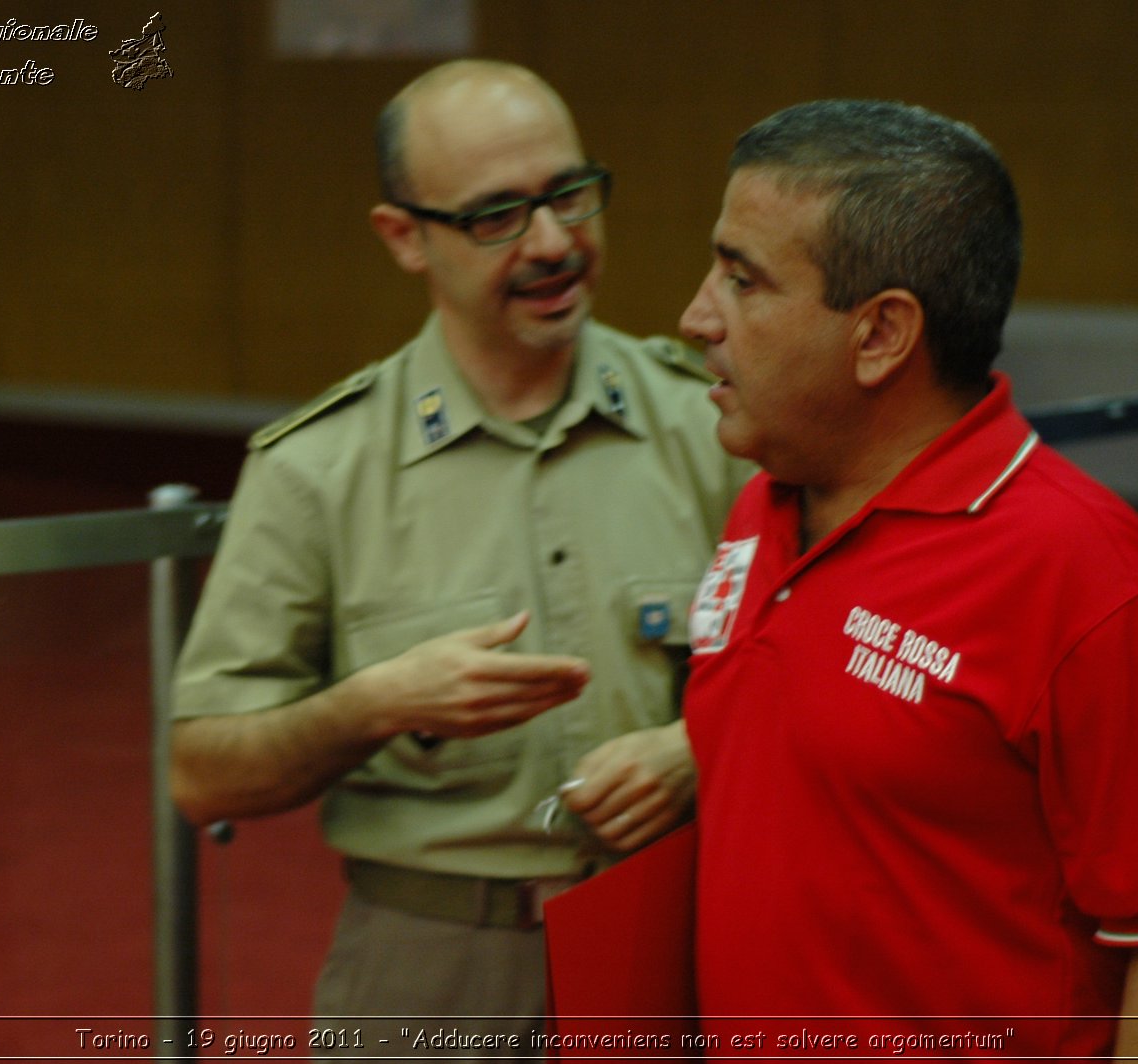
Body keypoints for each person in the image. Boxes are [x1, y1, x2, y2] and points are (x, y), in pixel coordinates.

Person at [170, 59, 748, 1046]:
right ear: (404, 237)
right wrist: (375, 703)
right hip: (429, 973)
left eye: (570, 193)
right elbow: (204, 772)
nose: (555, 242)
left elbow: (826, 665)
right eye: (496, 216)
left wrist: (693, 749)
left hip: (675, 942)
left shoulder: (712, 426)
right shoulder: (320, 469)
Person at [677, 99, 1138, 1060]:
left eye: (742, 280)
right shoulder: (762, 506)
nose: (697, 315)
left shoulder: (1095, 584)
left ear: (880, 336)